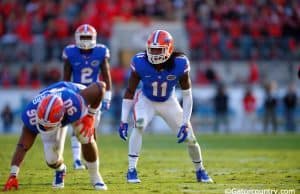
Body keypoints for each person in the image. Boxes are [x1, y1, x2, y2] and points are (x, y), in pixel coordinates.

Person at [118, 30, 213, 183]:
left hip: (169, 102)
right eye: (152, 49)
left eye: (158, 50)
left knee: (191, 139)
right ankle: (131, 170)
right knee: (139, 125)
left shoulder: (180, 63)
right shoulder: (139, 61)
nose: (154, 53)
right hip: (146, 101)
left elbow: (187, 95)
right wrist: (123, 120)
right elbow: (129, 91)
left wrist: (185, 122)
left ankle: (200, 170)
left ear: (169, 49)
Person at [3, 81, 108, 191]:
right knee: (51, 159)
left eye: (48, 126)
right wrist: (13, 175)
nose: (45, 128)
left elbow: (100, 87)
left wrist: (90, 115)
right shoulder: (31, 114)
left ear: (61, 118)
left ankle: (95, 177)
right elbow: (22, 146)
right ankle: (60, 170)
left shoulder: (75, 102)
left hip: (76, 100)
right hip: (60, 106)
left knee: (85, 135)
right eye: (43, 124)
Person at [62, 24, 112, 170]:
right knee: (77, 127)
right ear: (77, 38)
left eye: (88, 37)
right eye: (82, 37)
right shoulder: (70, 52)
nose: (85, 40)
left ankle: (90, 158)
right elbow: (65, 78)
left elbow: (106, 75)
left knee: (92, 128)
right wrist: (66, 96)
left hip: (95, 93)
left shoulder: (101, 51)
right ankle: (77, 160)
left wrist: (107, 97)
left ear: (94, 38)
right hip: (78, 93)